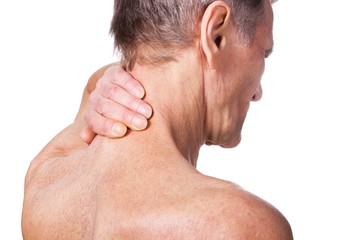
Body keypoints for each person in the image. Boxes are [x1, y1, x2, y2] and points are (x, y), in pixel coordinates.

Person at [22, 0, 293, 239]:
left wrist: (102, 80)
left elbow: (91, 94)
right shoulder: (238, 226)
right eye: (263, 52)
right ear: (216, 34)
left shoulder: (44, 184)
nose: (258, 93)